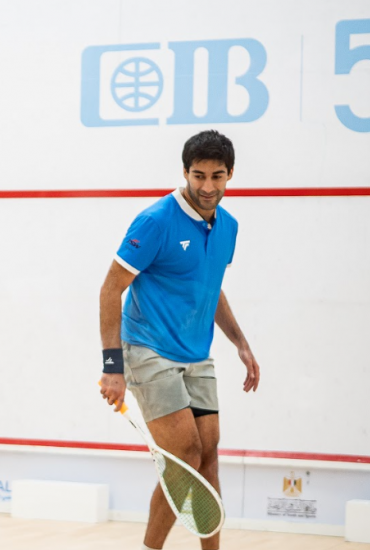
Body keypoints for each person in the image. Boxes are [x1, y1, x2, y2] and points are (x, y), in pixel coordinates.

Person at [98, 130, 260, 550]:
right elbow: (111, 289)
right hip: (148, 350)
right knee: (185, 457)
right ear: (185, 172)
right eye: (198, 175)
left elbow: (209, 286)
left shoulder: (228, 227)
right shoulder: (155, 221)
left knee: (208, 459)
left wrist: (240, 343)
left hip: (196, 355)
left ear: (230, 174)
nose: (207, 186)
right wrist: (113, 367)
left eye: (217, 176)